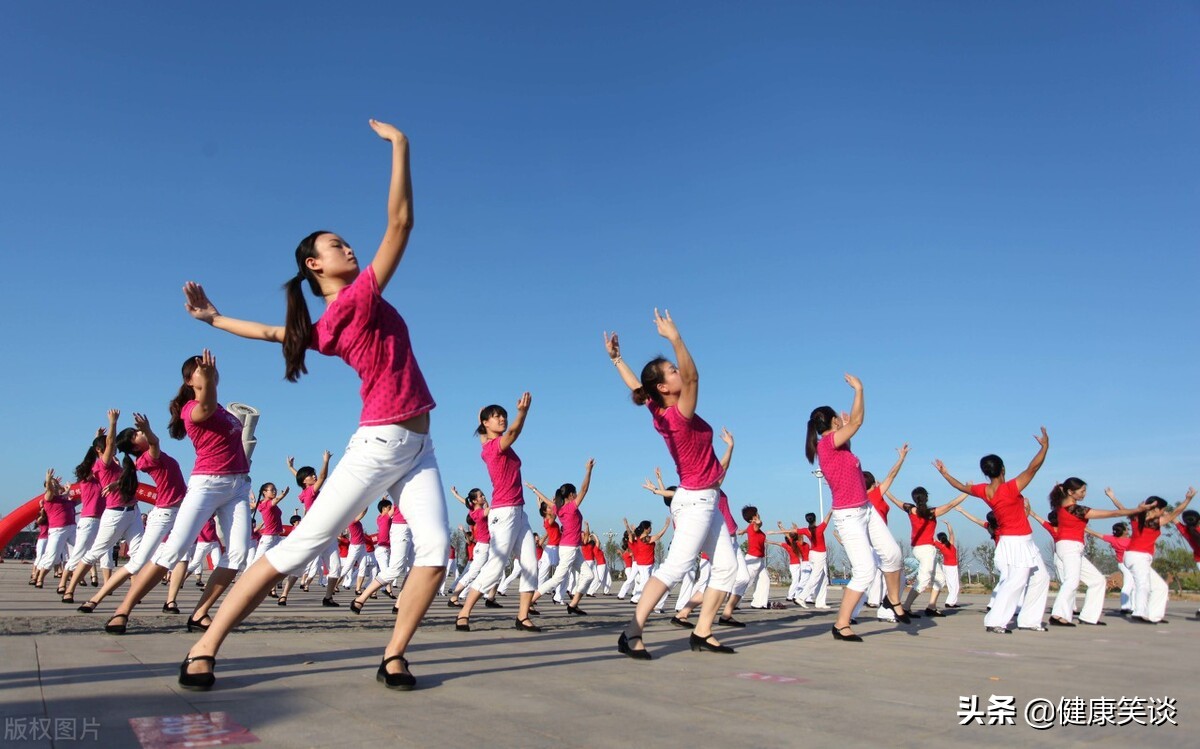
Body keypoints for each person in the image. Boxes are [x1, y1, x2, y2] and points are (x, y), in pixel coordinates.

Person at [176, 121, 448, 691]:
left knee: (436, 554)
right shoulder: (354, 301)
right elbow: (401, 223)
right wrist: (401, 147)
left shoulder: (326, 324)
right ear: (315, 267)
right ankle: (204, 646)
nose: (348, 246)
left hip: (418, 447)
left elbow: (278, 333)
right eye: (335, 245)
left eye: (346, 241)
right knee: (300, 549)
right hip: (379, 444)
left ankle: (393, 655)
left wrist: (214, 319)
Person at [604, 312, 738, 659]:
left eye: (674, 367)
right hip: (695, 502)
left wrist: (617, 359)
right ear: (664, 387)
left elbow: (637, 387)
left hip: (706, 499)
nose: (678, 372)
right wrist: (675, 338)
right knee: (675, 568)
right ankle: (631, 631)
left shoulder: (658, 408)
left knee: (726, 567)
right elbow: (693, 377)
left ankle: (703, 631)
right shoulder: (679, 415)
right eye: (671, 372)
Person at [934, 429, 1051, 634]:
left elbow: (961, 487)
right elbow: (1032, 468)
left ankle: (1029, 620)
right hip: (1017, 541)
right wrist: (1044, 447)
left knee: (1041, 578)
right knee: (1015, 582)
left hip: (1020, 540)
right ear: (1003, 468)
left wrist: (945, 473)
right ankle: (995, 620)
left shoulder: (985, 490)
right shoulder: (1010, 488)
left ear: (986, 473)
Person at [456, 395, 541, 633]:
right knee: (495, 566)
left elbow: (487, 434)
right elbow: (513, 433)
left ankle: (522, 616)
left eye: (504, 415)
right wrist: (522, 413)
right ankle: (464, 613)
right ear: (486, 423)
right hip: (503, 512)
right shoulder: (495, 447)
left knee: (531, 564)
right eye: (497, 416)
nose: (502, 419)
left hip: (519, 512)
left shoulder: (486, 443)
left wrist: (481, 421)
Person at [1043, 478, 1150, 626]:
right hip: (1069, 547)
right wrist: (1138, 510)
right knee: (1071, 581)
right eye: (1082, 491)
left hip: (1072, 548)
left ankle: (1088, 617)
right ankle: (1057, 615)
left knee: (1098, 581)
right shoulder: (1073, 509)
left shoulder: (1063, 505)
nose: (1084, 494)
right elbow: (1111, 514)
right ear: (1070, 492)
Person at [1106, 487, 1195, 624]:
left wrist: (1112, 497)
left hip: (1139, 557)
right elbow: (1176, 512)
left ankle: (1153, 616)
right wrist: (1188, 499)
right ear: (1155, 509)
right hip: (1137, 556)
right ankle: (1139, 613)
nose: (1164, 512)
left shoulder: (1138, 517)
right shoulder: (1146, 520)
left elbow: (1121, 508)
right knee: (1143, 585)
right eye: (1163, 509)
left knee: (1160, 587)